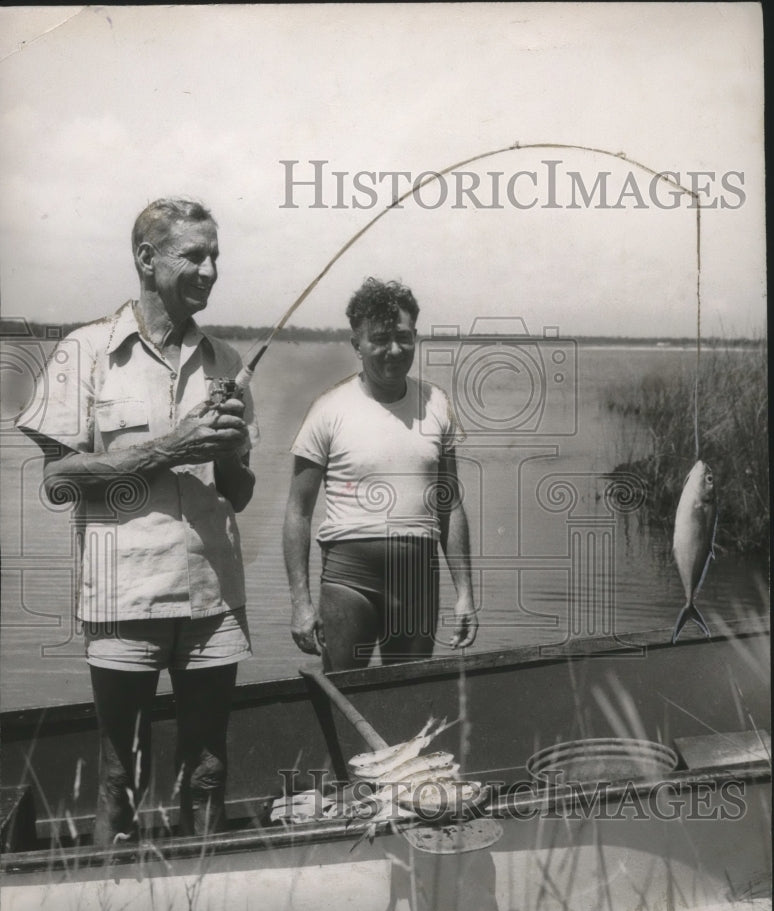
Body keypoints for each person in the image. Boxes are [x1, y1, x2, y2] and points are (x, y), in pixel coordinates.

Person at [16, 198, 259, 847]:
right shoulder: (85, 353)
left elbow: (237, 491)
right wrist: (168, 449)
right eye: (194, 255)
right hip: (123, 599)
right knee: (119, 777)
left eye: (216, 257)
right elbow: (59, 480)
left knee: (208, 772)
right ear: (146, 260)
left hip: (214, 606)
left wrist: (232, 450)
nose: (209, 270)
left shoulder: (227, 362)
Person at [283, 277, 478, 671]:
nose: (393, 350)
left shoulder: (436, 403)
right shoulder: (329, 408)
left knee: (406, 700)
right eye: (380, 338)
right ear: (357, 343)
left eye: (403, 337)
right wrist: (301, 603)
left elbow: (451, 505)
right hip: (348, 580)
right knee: (344, 693)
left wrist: (465, 594)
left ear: (416, 337)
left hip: (417, 579)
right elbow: (298, 512)